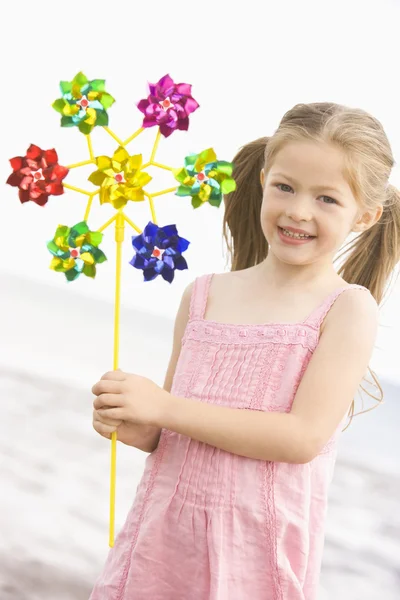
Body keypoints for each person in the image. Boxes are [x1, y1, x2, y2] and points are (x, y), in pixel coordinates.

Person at [89, 102, 400, 600]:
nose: (299, 210)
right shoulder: (204, 294)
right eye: (285, 187)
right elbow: (167, 429)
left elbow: (300, 438)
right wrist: (134, 420)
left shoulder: (346, 309)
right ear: (261, 180)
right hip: (160, 543)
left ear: (365, 215)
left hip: (253, 555)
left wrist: (166, 407)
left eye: (327, 199)